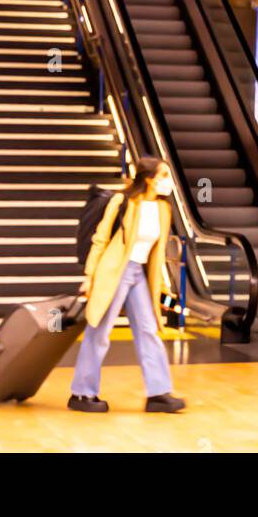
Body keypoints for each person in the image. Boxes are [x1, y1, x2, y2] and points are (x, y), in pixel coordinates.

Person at [69, 158, 185, 413]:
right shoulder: (122, 202)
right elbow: (100, 239)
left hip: (139, 274)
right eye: (164, 175)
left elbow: (157, 252)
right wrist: (89, 276)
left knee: (148, 330)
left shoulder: (163, 209)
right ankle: (82, 393)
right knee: (99, 331)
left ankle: (158, 393)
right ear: (149, 179)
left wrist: (162, 283)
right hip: (115, 271)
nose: (168, 181)